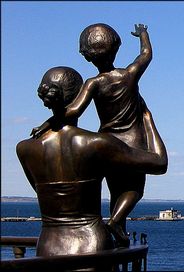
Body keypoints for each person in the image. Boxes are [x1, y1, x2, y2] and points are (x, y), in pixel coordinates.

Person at [31, 23, 162, 245]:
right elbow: (147, 54)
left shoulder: (93, 83)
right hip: (133, 140)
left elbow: (73, 111)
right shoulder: (130, 74)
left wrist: (49, 121)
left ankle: (117, 226)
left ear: (87, 56)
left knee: (114, 189)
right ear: (116, 48)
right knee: (134, 189)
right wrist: (143, 34)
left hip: (108, 140)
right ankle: (116, 221)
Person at [17, 66, 167, 256]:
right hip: (91, 246)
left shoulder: (24, 149)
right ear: (82, 96)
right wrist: (147, 120)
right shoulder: (97, 144)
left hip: (48, 247)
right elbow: (160, 163)